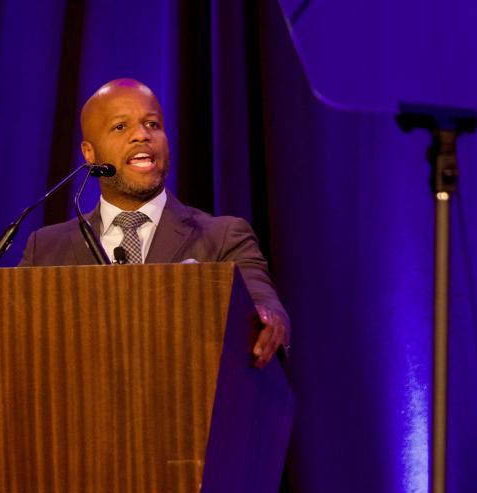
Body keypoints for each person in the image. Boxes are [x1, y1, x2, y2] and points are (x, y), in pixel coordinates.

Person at [18, 78, 289, 367]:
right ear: (89, 153)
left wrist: (265, 316)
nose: (141, 135)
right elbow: (15, 337)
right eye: (120, 127)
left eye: (152, 125)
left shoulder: (223, 237)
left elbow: (262, 301)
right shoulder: (46, 249)